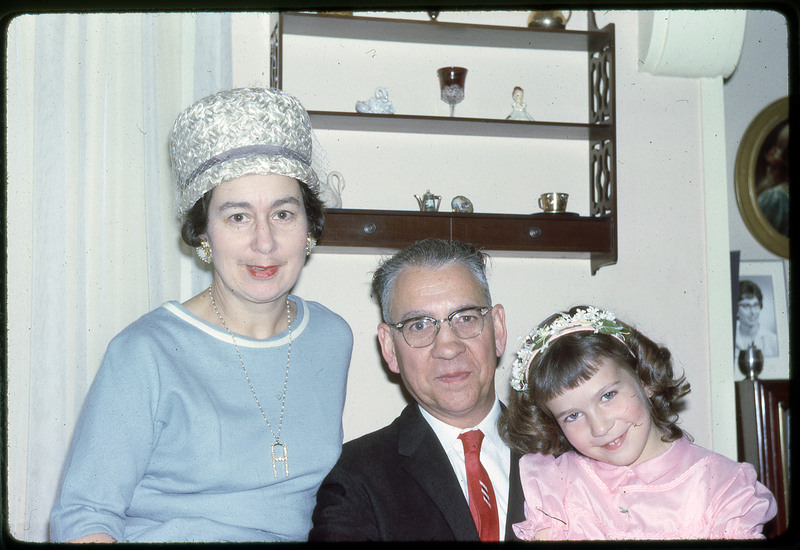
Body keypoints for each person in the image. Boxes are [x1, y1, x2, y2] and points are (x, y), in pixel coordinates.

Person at [49, 87, 353, 543]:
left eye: (284, 214)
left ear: (309, 228)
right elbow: (84, 517)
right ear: (203, 233)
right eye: (237, 217)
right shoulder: (144, 352)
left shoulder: (332, 336)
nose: (264, 242)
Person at [310, 239, 525, 541]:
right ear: (390, 349)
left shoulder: (564, 446)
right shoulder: (355, 479)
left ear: (498, 330)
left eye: (465, 318)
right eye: (419, 325)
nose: (449, 348)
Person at [500, 305, 777, 540]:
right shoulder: (556, 488)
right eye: (572, 416)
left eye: (608, 395)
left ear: (644, 380)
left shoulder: (722, 487)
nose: (600, 427)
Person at [735, 279, 779, 357]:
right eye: (746, 306)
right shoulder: (729, 339)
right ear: (736, 310)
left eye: (755, 305)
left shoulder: (773, 341)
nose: (753, 312)